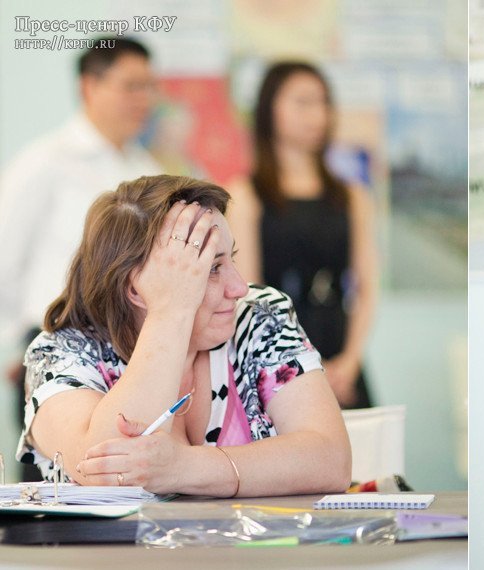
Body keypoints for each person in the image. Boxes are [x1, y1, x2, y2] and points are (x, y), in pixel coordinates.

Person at [16, 175, 351, 496]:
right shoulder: (60, 353)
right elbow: (106, 470)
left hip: (248, 555)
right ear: (136, 288)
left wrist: (184, 468)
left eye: (230, 258)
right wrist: (169, 312)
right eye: (212, 268)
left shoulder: (259, 316)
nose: (239, 288)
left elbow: (330, 460)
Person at [0, 38, 160, 480]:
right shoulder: (44, 162)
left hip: (128, 352)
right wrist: (17, 341)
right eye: (131, 86)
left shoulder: (145, 168)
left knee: (122, 488)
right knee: (54, 497)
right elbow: (4, 260)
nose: (143, 100)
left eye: (149, 87)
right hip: (57, 346)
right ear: (89, 86)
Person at [228, 62, 378, 410]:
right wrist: (295, 367)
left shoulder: (351, 196)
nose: (317, 114)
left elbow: (367, 286)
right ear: (269, 111)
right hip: (276, 359)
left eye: (323, 102)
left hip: (341, 354)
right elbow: (249, 294)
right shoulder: (246, 195)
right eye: (302, 102)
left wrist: (351, 360)